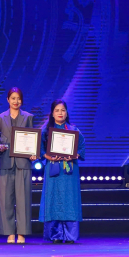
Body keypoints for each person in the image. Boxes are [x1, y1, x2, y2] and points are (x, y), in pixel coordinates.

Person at [39, 99, 86, 244]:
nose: (60, 113)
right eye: (57, 110)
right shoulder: (46, 132)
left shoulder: (73, 130)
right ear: (52, 113)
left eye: (63, 110)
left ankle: (70, 236)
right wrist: (47, 156)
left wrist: (76, 154)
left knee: (69, 199)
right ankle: (56, 235)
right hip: (53, 169)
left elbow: (82, 146)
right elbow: (39, 150)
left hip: (69, 170)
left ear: (67, 113)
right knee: (53, 198)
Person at [0, 88, 37, 244]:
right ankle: (9, 233)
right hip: (5, 161)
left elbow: (32, 138)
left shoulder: (28, 117)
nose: (16, 101)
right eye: (13, 98)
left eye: (18, 98)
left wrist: (33, 153)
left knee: (23, 199)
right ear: (8, 100)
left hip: (23, 162)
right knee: (5, 200)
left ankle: (22, 233)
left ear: (22, 100)